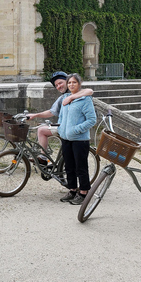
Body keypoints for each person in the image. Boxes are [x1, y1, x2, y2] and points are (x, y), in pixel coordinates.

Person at [27, 71, 93, 164]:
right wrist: (35, 115)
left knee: (41, 130)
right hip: (66, 128)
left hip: (74, 131)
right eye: (56, 85)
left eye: (60, 83)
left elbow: (89, 91)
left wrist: (71, 97)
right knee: (42, 127)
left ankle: (43, 157)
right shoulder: (63, 97)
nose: (58, 86)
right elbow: (52, 111)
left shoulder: (77, 94)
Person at [57, 73, 96, 205]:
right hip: (66, 138)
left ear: (79, 84)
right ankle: (72, 190)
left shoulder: (85, 99)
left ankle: (84, 191)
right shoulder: (65, 98)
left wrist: (76, 130)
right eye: (69, 83)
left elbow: (92, 120)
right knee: (69, 166)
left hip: (80, 140)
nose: (71, 85)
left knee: (81, 167)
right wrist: (61, 129)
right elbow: (61, 117)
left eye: (74, 82)